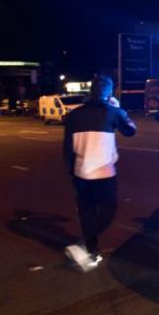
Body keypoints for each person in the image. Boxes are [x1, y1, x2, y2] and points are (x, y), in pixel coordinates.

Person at [63, 76, 137, 271]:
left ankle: (91, 252)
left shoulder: (74, 115)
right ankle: (84, 245)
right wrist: (119, 108)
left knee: (87, 212)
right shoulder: (112, 112)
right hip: (104, 172)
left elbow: (67, 147)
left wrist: (70, 170)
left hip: (81, 173)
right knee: (108, 210)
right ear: (109, 92)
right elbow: (130, 130)